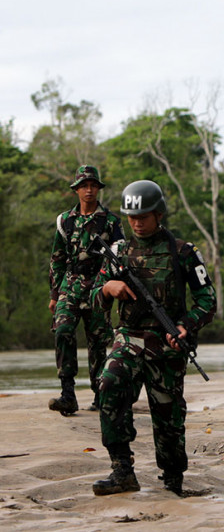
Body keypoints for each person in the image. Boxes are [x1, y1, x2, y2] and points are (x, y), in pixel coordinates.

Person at [90, 180, 216, 496]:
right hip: (128, 339)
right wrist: (108, 289)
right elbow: (92, 296)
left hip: (167, 344)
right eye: (132, 217)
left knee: (168, 416)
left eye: (143, 216)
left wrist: (186, 326)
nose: (137, 223)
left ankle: (173, 479)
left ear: (159, 214)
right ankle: (122, 470)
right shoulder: (117, 252)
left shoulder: (184, 252)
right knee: (110, 385)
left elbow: (207, 299)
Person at [47, 165, 123, 416]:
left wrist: (110, 285)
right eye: (84, 186)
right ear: (76, 190)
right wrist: (54, 294)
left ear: (98, 189)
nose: (89, 190)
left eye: (93, 186)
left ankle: (99, 394)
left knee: (98, 342)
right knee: (63, 331)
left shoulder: (110, 222)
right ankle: (68, 394)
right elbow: (57, 258)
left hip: (99, 287)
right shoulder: (65, 220)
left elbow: (119, 256)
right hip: (70, 286)